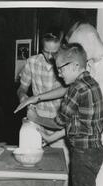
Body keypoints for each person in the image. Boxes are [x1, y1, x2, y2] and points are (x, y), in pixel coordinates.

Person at [17, 22, 103, 186]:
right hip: (93, 147)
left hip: (87, 150)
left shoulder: (78, 86)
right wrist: (35, 99)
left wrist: (36, 117)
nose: (59, 74)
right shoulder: (89, 75)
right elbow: (81, 119)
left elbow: (61, 120)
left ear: (75, 66)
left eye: (61, 69)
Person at [17, 30, 69, 165]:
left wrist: (36, 98)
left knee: (61, 166)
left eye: (55, 52)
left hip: (58, 124)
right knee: (31, 163)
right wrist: (23, 96)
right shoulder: (32, 62)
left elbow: (66, 89)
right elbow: (22, 88)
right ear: (41, 48)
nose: (51, 56)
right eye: (47, 52)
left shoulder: (66, 64)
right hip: (36, 122)